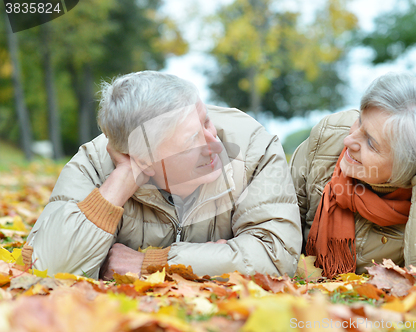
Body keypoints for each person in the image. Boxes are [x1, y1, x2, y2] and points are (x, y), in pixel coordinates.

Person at [22, 71, 301, 280]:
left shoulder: (253, 147)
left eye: (206, 121)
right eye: (193, 140)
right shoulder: (94, 163)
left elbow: (276, 257)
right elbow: (49, 268)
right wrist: (120, 182)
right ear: (145, 157)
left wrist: (154, 263)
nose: (215, 143)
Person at [290, 73, 416, 278]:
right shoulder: (329, 138)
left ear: (410, 164)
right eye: (360, 121)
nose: (349, 141)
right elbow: (279, 234)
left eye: (371, 143)